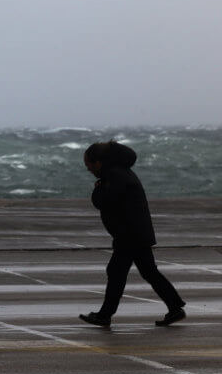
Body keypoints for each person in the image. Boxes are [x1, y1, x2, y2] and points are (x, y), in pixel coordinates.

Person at [79, 140, 186, 327]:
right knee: (148, 272)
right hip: (135, 233)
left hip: (129, 235)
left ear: (99, 161)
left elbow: (104, 201)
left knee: (117, 272)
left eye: (89, 164)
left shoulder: (115, 175)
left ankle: (105, 315)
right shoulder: (118, 173)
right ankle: (175, 306)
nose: (88, 168)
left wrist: (97, 190)